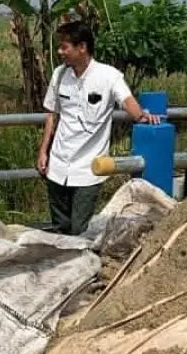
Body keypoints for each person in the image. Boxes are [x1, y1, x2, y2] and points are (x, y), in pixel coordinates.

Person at [36, 21, 161, 235]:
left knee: (79, 229)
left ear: (82, 47)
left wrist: (143, 116)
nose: (59, 52)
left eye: (65, 47)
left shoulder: (109, 76)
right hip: (57, 163)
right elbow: (52, 115)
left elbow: (126, 100)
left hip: (88, 167)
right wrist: (43, 151)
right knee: (59, 227)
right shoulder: (59, 74)